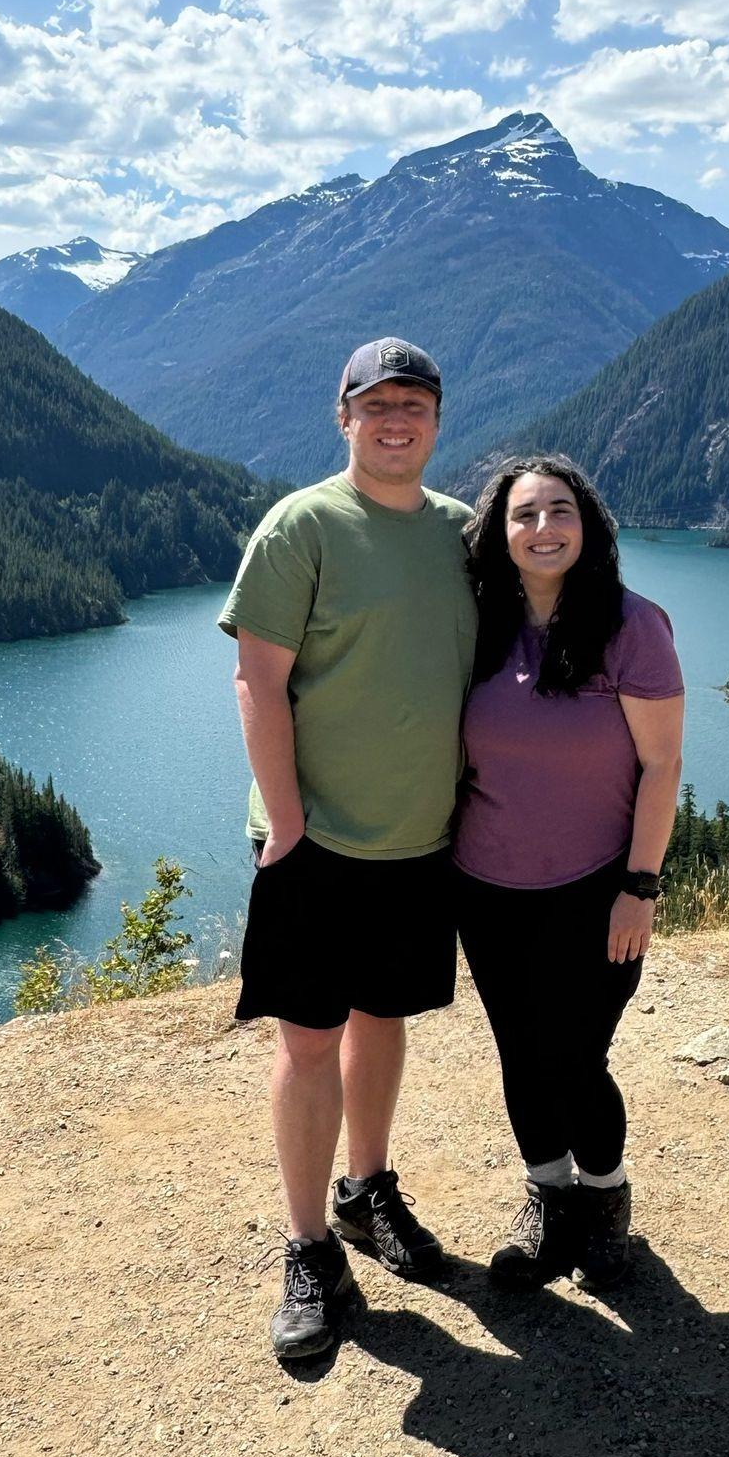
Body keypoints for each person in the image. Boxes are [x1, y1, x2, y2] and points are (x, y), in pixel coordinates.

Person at [218, 338, 475, 1359]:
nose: (396, 418)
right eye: (378, 404)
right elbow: (258, 681)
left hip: (420, 843)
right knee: (309, 1041)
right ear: (345, 418)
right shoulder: (302, 525)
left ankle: (368, 1192)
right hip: (313, 845)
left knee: (385, 1017)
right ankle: (310, 1246)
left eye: (414, 401)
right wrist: (286, 826)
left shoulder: (462, 535)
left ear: (437, 419)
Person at [453, 454, 685, 1289]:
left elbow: (662, 765)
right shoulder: (478, 626)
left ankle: (604, 1197)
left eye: (560, 510)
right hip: (484, 887)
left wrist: (640, 886)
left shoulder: (631, 626)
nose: (543, 528)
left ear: (588, 526)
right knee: (521, 1049)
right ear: (499, 532)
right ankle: (548, 1198)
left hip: (596, 890)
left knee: (577, 1056)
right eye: (524, 514)